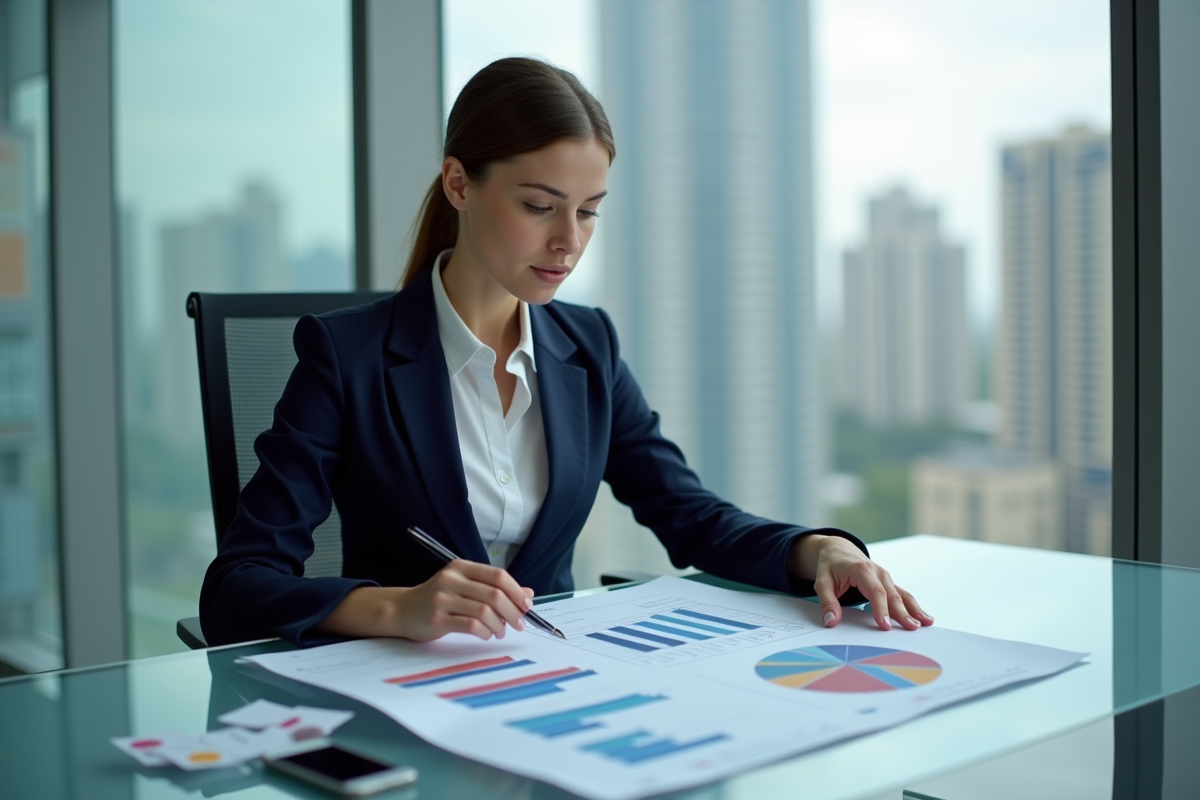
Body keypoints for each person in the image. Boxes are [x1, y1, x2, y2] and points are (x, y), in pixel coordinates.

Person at [200, 57, 931, 648]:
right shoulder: (345, 356)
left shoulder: (588, 346)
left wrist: (821, 551)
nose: (568, 242)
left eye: (588, 213)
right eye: (540, 206)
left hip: (550, 683)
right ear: (459, 184)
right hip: (400, 695)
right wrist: (398, 609)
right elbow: (240, 585)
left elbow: (690, 515)